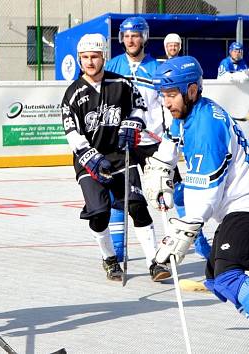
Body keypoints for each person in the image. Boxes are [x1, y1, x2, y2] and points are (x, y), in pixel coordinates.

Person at [148, 56, 249, 353]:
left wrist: (183, 233)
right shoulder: (188, 113)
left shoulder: (206, 129)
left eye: (171, 95)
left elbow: (206, 195)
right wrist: (161, 166)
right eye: (164, 95)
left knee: (228, 275)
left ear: (192, 91)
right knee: (216, 280)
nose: (167, 102)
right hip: (241, 203)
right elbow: (172, 141)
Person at [60, 33, 169, 282]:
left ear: (104, 57)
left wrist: (133, 122)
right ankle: (109, 259)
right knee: (99, 214)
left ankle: (155, 261)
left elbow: (139, 105)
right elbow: (72, 133)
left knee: (137, 205)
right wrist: (92, 158)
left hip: (121, 156)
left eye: (95, 57)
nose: (89, 62)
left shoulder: (121, 83)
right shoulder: (73, 94)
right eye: (85, 57)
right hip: (89, 161)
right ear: (79, 60)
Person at [105, 16, 211, 263]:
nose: (131, 40)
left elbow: (169, 106)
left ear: (144, 38)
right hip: (123, 141)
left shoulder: (158, 68)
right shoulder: (112, 66)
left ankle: (198, 239)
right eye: (127, 36)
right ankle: (118, 248)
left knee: (179, 191)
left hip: (153, 141)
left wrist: (172, 137)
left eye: (136, 35)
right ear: (122, 38)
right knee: (121, 194)